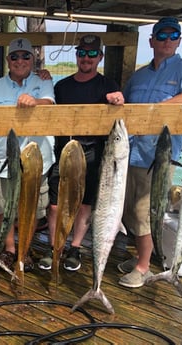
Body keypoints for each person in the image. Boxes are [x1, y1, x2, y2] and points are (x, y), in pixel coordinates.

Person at [118, 17, 182, 288]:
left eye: (173, 36)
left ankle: (144, 267)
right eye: (161, 35)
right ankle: (140, 257)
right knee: (128, 210)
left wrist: (165, 106)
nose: (167, 40)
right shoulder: (139, 75)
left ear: (179, 41)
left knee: (146, 210)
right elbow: (126, 105)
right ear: (152, 41)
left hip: (158, 157)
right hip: (131, 154)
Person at [38, 34, 125, 271]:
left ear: (100, 57)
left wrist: (117, 100)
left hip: (93, 153)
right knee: (55, 205)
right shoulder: (62, 86)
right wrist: (42, 76)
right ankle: (55, 246)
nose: (86, 58)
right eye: (82, 53)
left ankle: (75, 248)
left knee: (85, 204)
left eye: (92, 54)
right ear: (77, 56)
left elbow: (119, 115)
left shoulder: (108, 85)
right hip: (64, 151)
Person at [0, 37, 55, 272]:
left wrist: (35, 101)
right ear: (8, 60)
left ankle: (25, 248)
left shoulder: (43, 81)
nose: (20, 60)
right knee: (4, 209)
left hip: (36, 163)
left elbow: (50, 103)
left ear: (33, 60)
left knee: (30, 209)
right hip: (2, 161)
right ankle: (10, 249)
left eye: (25, 56)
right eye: (15, 56)